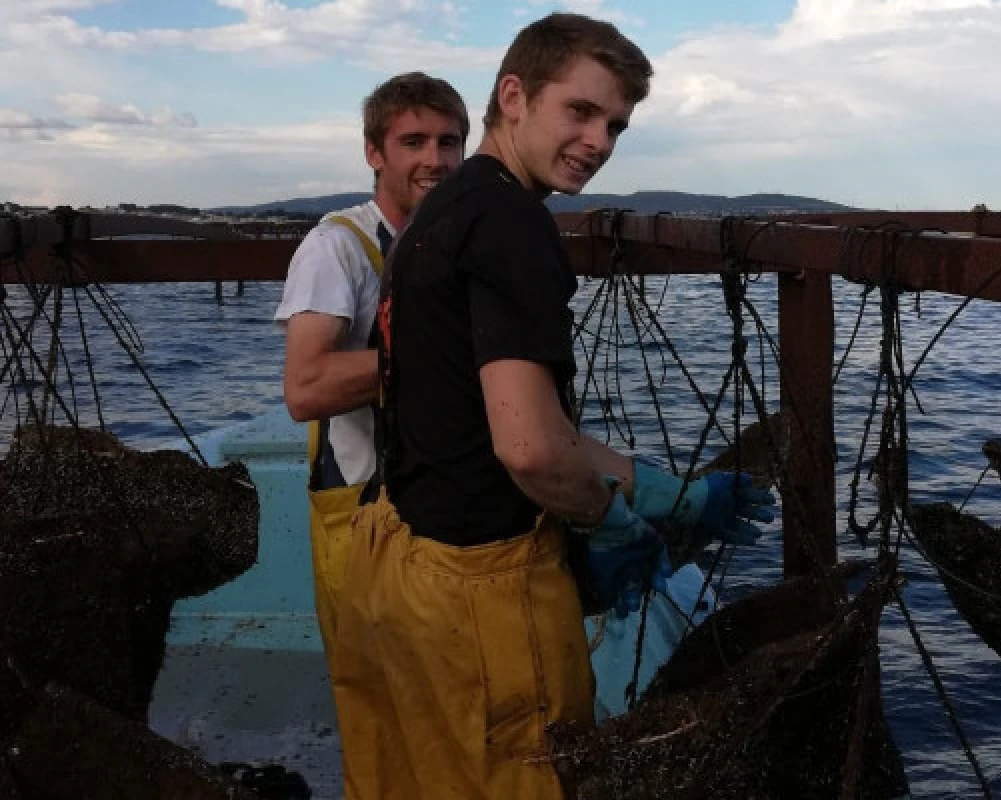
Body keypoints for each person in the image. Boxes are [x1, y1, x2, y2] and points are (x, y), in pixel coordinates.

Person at [333, 13, 775, 800]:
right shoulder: (512, 225)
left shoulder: (438, 212)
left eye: (616, 125)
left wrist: (667, 490)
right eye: (581, 111)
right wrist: (607, 523)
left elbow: (494, 411)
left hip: (407, 562)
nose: (600, 141)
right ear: (514, 95)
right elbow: (531, 448)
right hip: (486, 592)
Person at [272, 72, 468, 795]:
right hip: (360, 513)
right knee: (380, 711)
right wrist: (441, 357)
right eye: (413, 141)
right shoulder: (340, 248)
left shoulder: (456, 243)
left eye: (449, 142)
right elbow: (306, 387)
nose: (436, 160)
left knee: (454, 701)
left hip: (445, 511)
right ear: (373, 153)